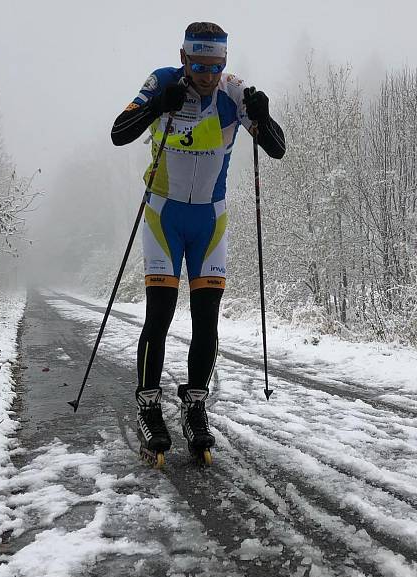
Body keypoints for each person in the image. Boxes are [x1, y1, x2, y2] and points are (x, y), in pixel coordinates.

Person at [111, 21, 286, 461]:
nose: (207, 76)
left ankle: (195, 405)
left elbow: (277, 149)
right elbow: (119, 132)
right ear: (184, 57)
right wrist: (155, 109)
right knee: (161, 315)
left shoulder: (232, 93)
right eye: (199, 65)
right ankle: (149, 405)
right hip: (163, 216)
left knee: (207, 320)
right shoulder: (163, 82)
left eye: (216, 66)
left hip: (210, 219)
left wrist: (262, 117)